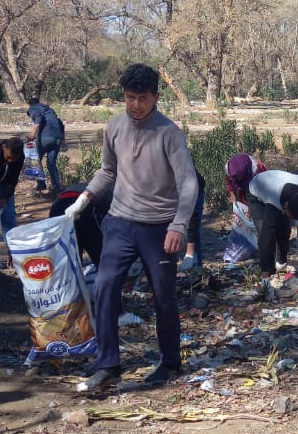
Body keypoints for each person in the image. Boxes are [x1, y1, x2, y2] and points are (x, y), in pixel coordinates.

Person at [68, 63, 201, 392]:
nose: (136, 105)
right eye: (129, 97)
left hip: (159, 228)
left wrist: (179, 226)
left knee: (163, 297)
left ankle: (170, 363)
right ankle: (108, 365)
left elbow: (188, 184)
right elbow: (107, 171)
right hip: (120, 222)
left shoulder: (169, 133)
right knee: (105, 287)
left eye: (143, 98)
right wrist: (83, 199)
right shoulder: (114, 128)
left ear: (156, 97)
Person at [53, 176, 204, 271]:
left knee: (70, 259)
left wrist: (190, 253)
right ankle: (115, 310)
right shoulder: (130, 195)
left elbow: (191, 217)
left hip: (60, 205)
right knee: (103, 260)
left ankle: (76, 303)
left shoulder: (187, 186)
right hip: (83, 206)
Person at [247, 169, 298, 291]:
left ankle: (281, 263)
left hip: (279, 187)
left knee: (284, 229)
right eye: (290, 215)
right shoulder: (273, 199)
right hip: (257, 192)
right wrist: (265, 275)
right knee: (267, 234)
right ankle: (269, 272)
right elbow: (265, 239)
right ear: (286, 206)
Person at [25, 96, 65, 194]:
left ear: (29, 104)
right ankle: (57, 187)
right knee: (51, 163)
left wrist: (32, 135)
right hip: (57, 138)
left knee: (34, 160)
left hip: (45, 137)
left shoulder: (33, 108)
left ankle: (41, 185)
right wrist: (63, 140)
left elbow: (38, 117)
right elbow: (60, 123)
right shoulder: (49, 110)